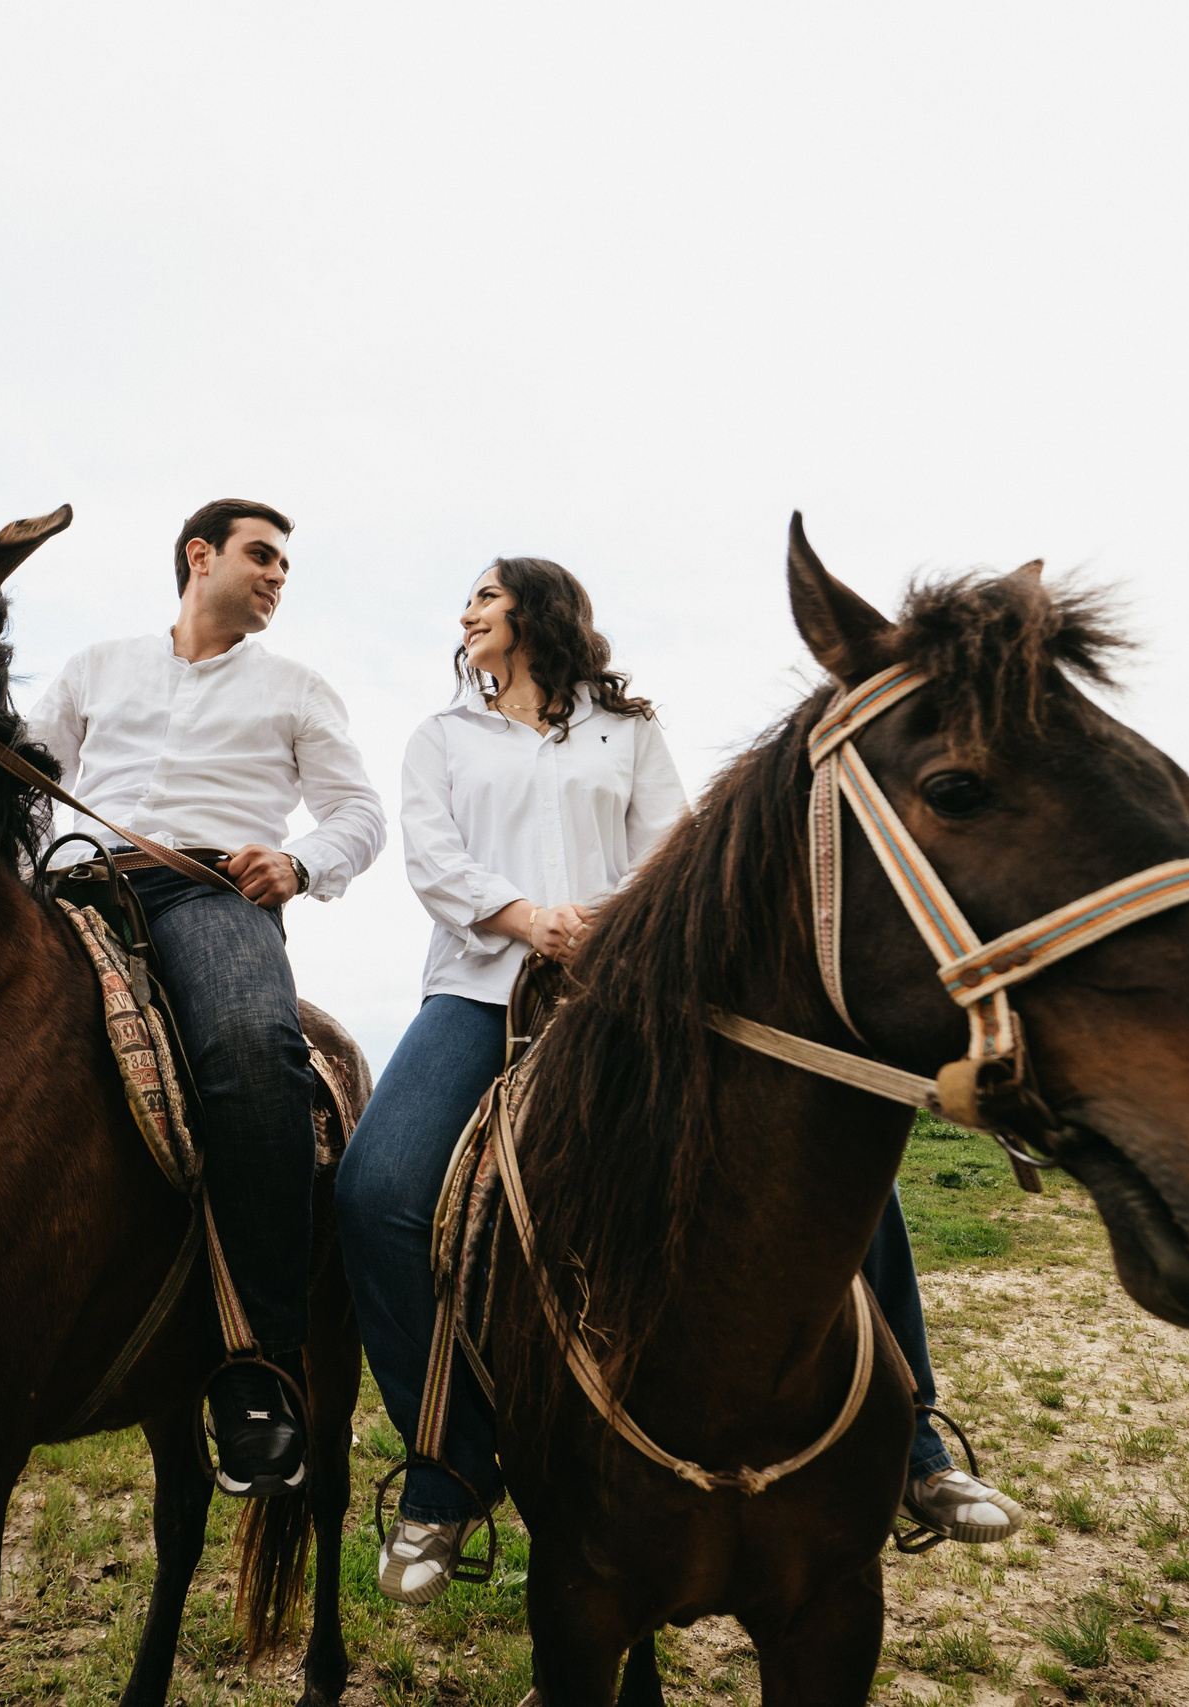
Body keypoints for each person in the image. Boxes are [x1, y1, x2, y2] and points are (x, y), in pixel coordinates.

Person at [335, 555, 1019, 1606]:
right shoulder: (440, 738)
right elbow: (430, 858)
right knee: (376, 1189)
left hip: (630, 991)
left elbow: (673, 847)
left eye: (483, 596)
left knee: (832, 1167)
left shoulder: (627, 729)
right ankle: (448, 1471)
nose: (464, 613)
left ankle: (917, 1444)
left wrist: (606, 925)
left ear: (535, 609)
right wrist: (525, 919)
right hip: (480, 988)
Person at [29, 498, 385, 1497]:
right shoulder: (95, 668)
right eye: (261, 556)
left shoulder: (296, 689)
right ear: (201, 557)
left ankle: (257, 1365)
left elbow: (357, 816)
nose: (276, 576)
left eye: (283, 565)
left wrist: (300, 862)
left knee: (251, 1052)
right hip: (71, 880)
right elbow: (22, 777)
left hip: (208, 892)